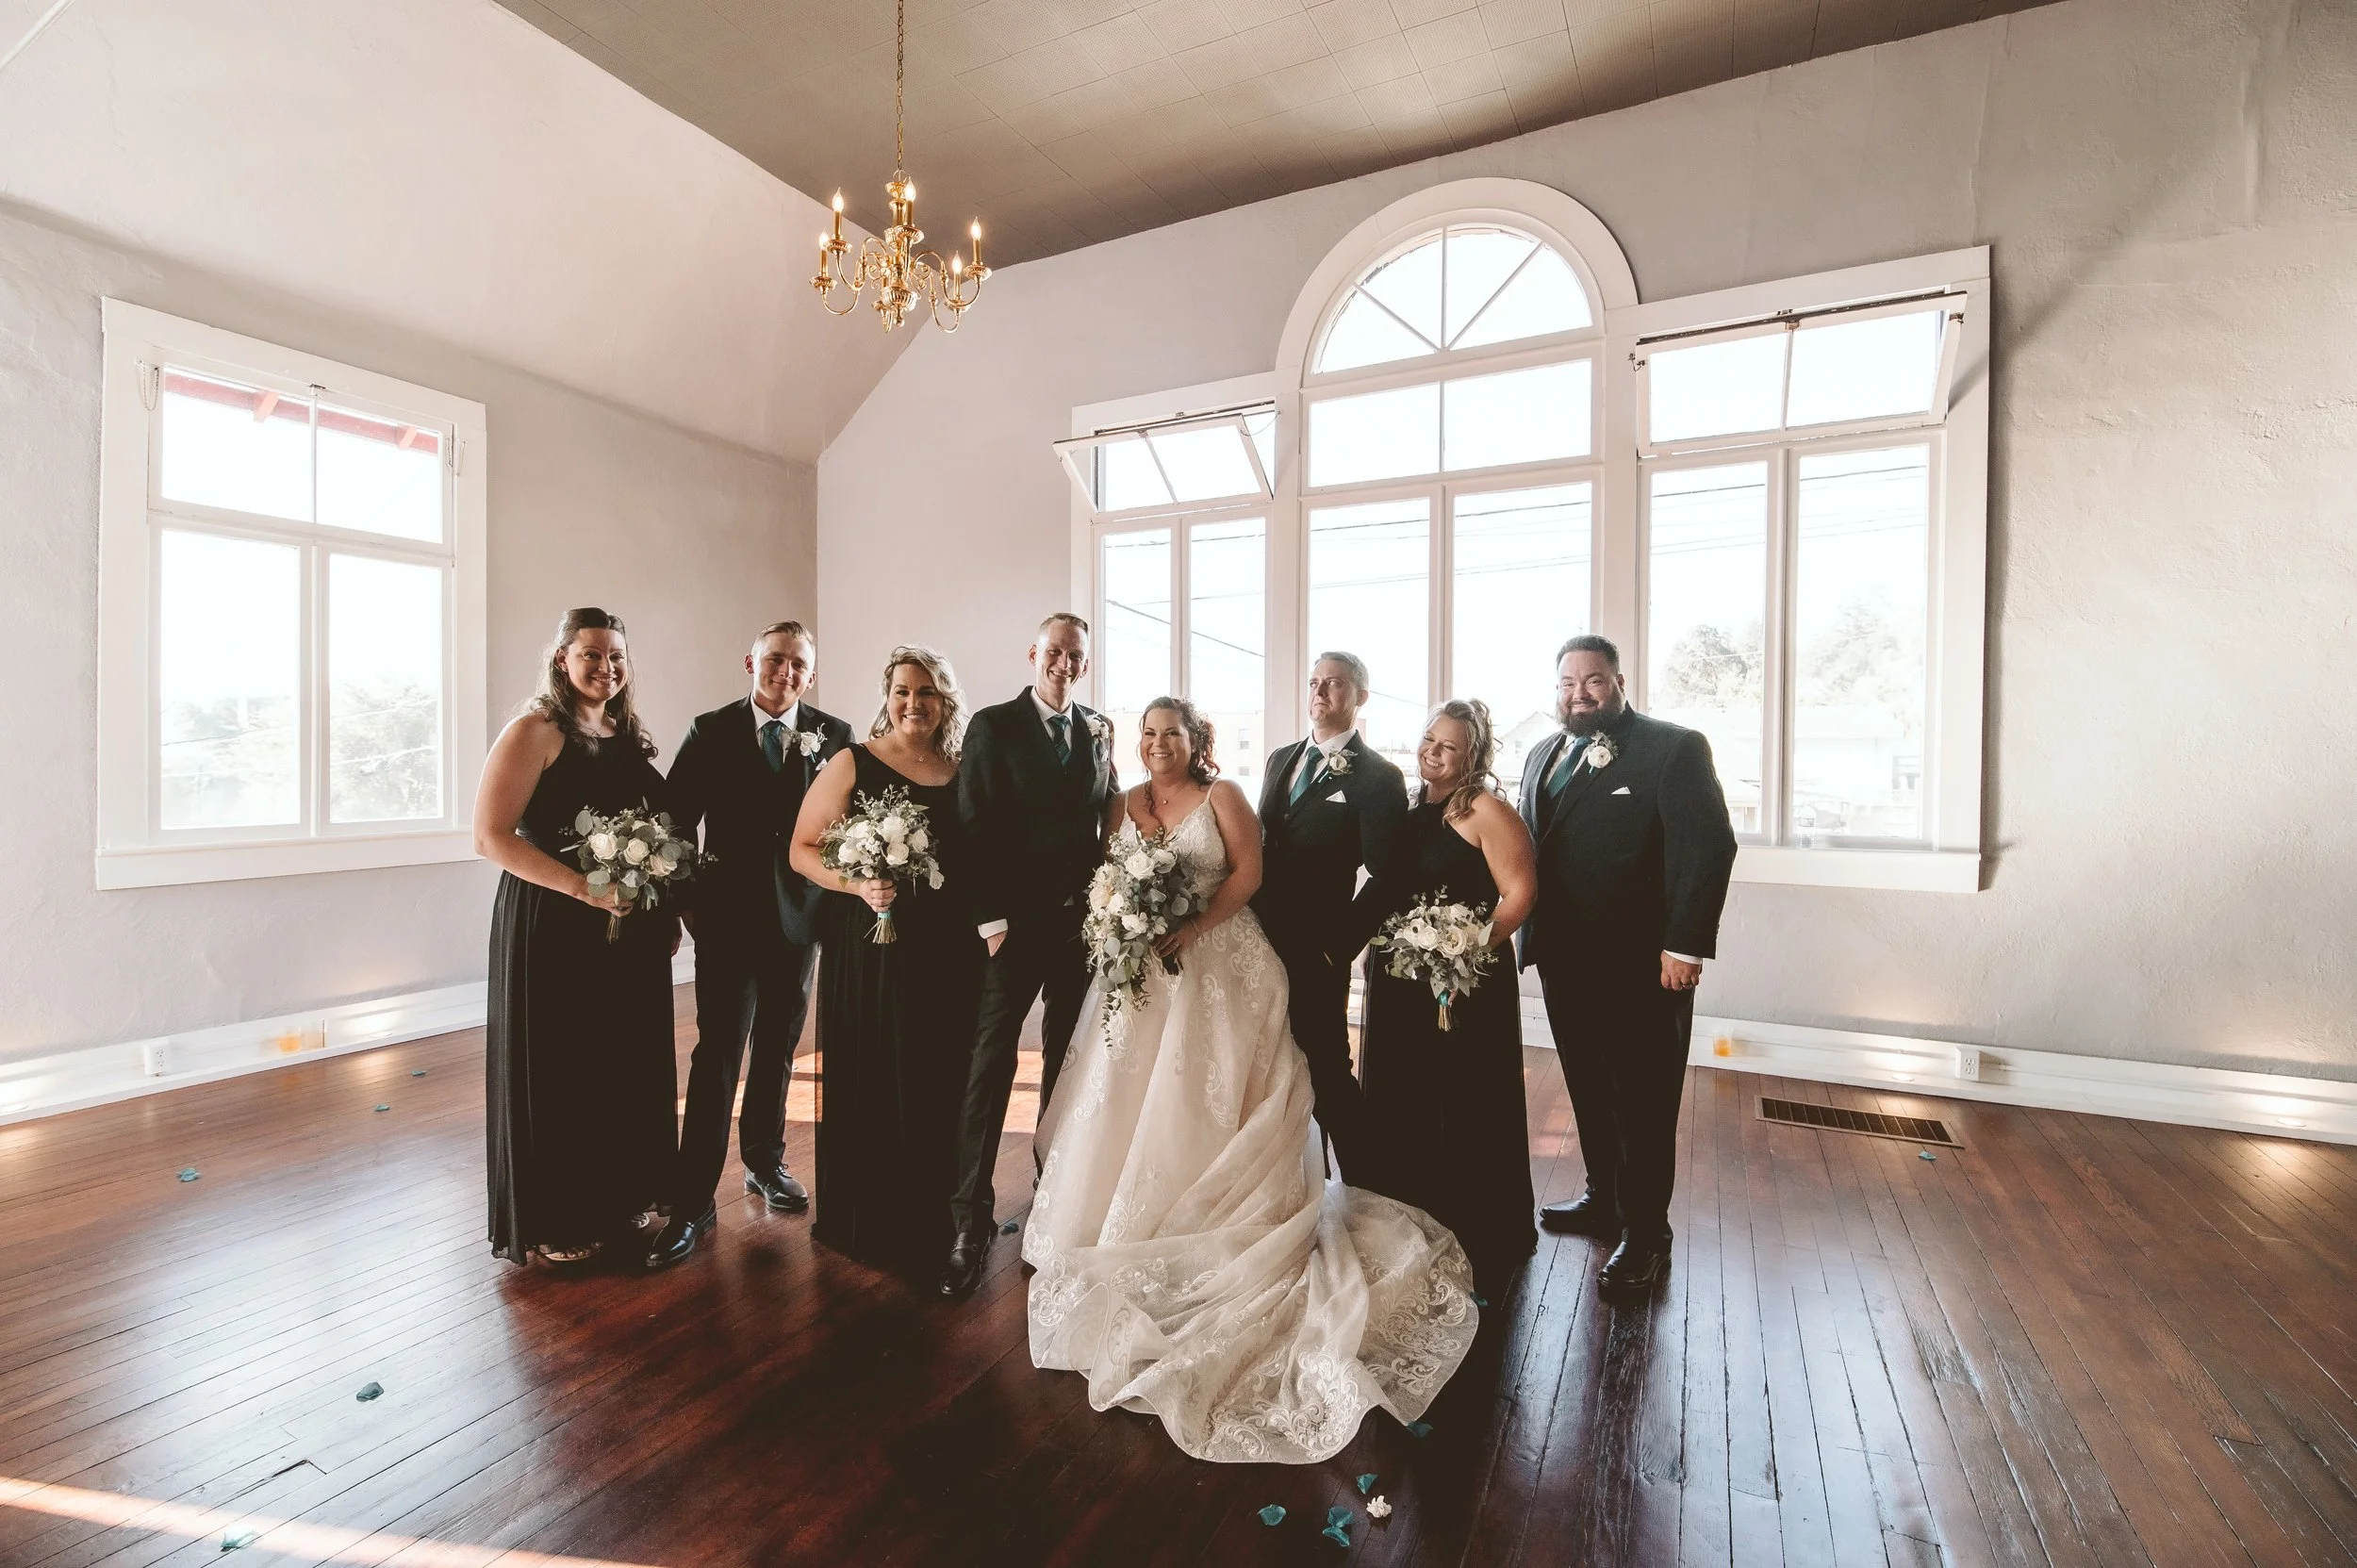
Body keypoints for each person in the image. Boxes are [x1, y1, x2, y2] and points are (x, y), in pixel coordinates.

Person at [1026, 698, 1477, 1465]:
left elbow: (1248, 872)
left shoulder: (1226, 795)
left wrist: (1191, 927)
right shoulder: (1122, 803)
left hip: (1219, 962)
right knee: (1124, 1097)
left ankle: (1227, 1206)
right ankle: (1116, 1214)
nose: (1157, 742)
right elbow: (1111, 875)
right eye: (1148, 732)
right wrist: (1123, 919)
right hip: (1142, 972)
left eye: (1171, 731)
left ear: (1195, 741)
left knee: (1208, 1093)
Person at [1517, 635, 1738, 1296]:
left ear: (1619, 681)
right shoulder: (1540, 753)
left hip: (1643, 966)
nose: (1578, 693)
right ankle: (1603, 1197)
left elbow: (1708, 846)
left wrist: (1685, 944)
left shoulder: (1674, 747)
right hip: (1563, 959)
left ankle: (1647, 1234)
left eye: (1592, 680)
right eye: (1566, 682)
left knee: (1642, 1102)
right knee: (1586, 1085)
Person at [647, 622, 855, 1271]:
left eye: (797, 664)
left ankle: (765, 1160)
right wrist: (686, 904)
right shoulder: (710, 731)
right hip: (727, 920)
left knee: (778, 1047)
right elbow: (673, 821)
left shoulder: (836, 735)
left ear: (810, 674)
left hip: (799, 920)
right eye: (774, 660)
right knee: (718, 1055)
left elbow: (847, 825)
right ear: (750, 662)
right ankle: (692, 1200)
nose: (784, 672)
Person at [477, 608, 679, 1267]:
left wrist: (662, 910)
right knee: (563, 1067)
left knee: (619, 1061)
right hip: (554, 925)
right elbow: (491, 836)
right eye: (591, 654)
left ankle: (618, 1194)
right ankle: (560, 1218)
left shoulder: (625, 734)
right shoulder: (534, 731)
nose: (606, 667)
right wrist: (582, 890)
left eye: (617, 656)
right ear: (562, 658)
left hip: (626, 927)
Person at [789, 645, 982, 1277]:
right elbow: (802, 848)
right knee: (876, 1064)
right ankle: (869, 1210)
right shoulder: (854, 762)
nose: (912, 703)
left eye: (926, 692)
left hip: (948, 949)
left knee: (940, 1070)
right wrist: (856, 885)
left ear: (944, 700)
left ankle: (941, 1210)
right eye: (902, 690)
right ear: (887, 695)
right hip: (874, 942)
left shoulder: (962, 768)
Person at [941, 614, 1117, 1299]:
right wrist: (990, 921)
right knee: (992, 1065)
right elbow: (970, 824)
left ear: (1084, 663)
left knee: (1066, 1066)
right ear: (1033, 654)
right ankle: (969, 1219)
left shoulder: (1098, 729)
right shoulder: (993, 724)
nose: (1063, 664)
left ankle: (1054, 1195)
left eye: (1075, 656)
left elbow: (1106, 818)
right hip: (1009, 929)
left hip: (1078, 929)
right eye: (1054, 653)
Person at [1356, 700, 1539, 1298]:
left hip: (1463, 984)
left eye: (1448, 746)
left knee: (1463, 1104)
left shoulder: (1487, 812)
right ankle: (1406, 1222)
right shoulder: (1412, 810)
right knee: (1403, 1096)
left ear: (1473, 757)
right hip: (1400, 981)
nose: (1431, 751)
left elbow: (1520, 892)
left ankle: (1477, 1236)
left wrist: (1467, 948)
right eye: (1429, 739)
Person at [1252, 652, 1408, 1182]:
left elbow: (1389, 875)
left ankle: (1368, 1184)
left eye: (1335, 685)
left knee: (1326, 1064)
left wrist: (1338, 946)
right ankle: (1290, 1181)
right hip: (1256, 937)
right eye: (1315, 683)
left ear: (1360, 697)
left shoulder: (1379, 777)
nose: (1320, 693)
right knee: (1268, 1057)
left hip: (1318, 945)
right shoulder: (1280, 759)